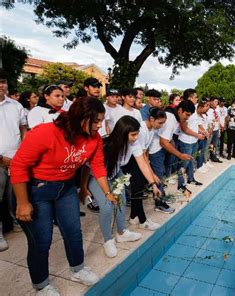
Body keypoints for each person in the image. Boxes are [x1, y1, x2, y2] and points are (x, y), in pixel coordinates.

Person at [10, 97, 108, 294]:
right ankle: (42, 285)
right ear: (80, 118)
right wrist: (22, 203)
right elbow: (18, 166)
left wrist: (107, 193)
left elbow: (97, 165)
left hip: (65, 188)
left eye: (101, 120)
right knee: (41, 240)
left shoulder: (94, 138)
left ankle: (78, 269)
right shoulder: (45, 133)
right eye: (95, 121)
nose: (100, 126)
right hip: (37, 189)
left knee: (73, 231)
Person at [84, 116, 161, 258]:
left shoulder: (134, 144)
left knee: (122, 200)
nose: (136, 137)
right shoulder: (105, 145)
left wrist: (153, 184)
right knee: (107, 206)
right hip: (97, 176)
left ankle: (122, 232)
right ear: (122, 133)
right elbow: (89, 168)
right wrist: (84, 188)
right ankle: (108, 240)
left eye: (137, 133)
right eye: (133, 134)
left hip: (115, 172)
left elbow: (142, 164)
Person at [125, 108, 167, 229]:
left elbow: (145, 152)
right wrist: (151, 174)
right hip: (133, 162)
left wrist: (150, 171)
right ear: (152, 119)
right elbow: (141, 155)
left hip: (140, 160)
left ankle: (133, 217)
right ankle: (143, 221)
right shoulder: (141, 130)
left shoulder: (152, 129)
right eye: (160, 123)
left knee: (137, 191)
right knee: (137, 192)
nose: (161, 125)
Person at [0, 71, 27, 252]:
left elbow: (23, 129)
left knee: (14, 195)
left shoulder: (16, 105)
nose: (1, 85)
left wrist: (23, 153)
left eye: (3, 82)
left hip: (17, 159)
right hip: (1, 159)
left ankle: (18, 223)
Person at [149, 100, 194, 198]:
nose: (187, 118)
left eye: (189, 115)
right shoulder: (170, 119)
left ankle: (164, 195)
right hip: (155, 150)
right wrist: (180, 155)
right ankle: (159, 202)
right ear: (180, 110)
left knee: (161, 175)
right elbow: (163, 142)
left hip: (161, 147)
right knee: (158, 176)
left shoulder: (175, 118)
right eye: (187, 114)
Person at [177, 100, 205, 188]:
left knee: (191, 161)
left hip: (194, 141)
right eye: (195, 97)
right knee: (184, 164)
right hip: (186, 142)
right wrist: (198, 135)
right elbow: (184, 129)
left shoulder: (194, 112)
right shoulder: (186, 113)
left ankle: (191, 179)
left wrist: (201, 132)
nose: (197, 99)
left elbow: (194, 125)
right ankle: (180, 185)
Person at [206, 97, 223, 163]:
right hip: (210, 130)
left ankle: (213, 157)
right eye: (215, 101)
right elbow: (207, 121)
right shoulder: (208, 110)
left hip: (216, 130)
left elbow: (218, 121)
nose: (217, 103)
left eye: (217, 102)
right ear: (211, 102)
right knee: (208, 145)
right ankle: (206, 159)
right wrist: (213, 120)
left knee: (214, 145)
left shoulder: (217, 110)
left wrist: (219, 130)